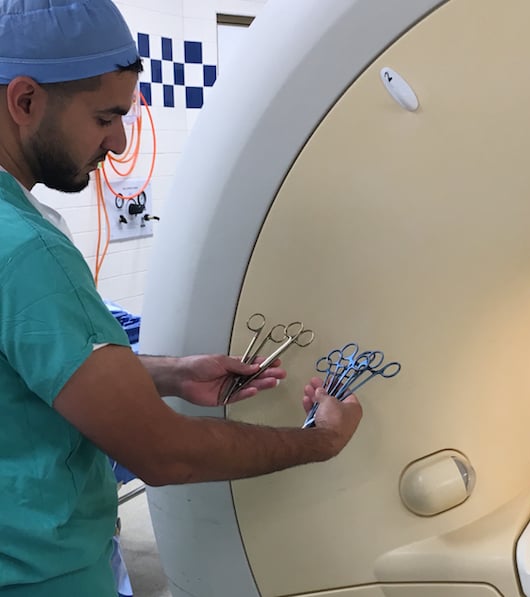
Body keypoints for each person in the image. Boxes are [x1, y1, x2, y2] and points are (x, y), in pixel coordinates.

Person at [0, 2, 363, 596]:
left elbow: (31, 365)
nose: (118, 143)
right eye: (104, 117)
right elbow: (165, 455)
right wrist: (320, 439)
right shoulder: (27, 250)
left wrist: (173, 373)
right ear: (26, 100)